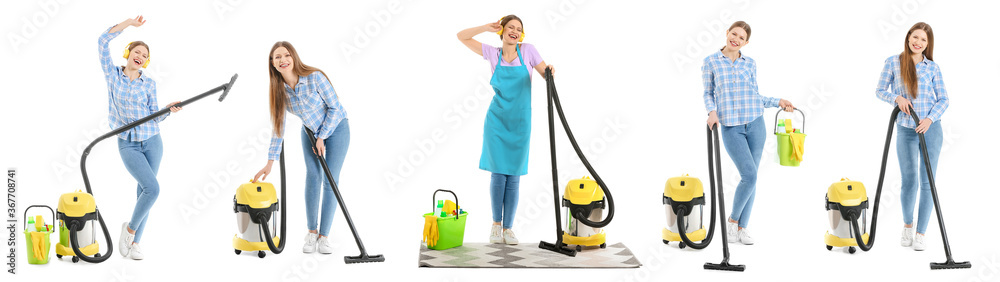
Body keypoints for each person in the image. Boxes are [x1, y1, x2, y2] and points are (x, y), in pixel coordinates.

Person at [457, 15, 554, 245]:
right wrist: (485, 28)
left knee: (514, 176)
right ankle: (495, 226)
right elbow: (461, 36)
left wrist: (548, 69)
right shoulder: (493, 53)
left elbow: (544, 73)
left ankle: (509, 228)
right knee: (498, 174)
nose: (515, 31)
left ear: (521, 35)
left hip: (520, 122)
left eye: (519, 29)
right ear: (502, 30)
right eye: (510, 27)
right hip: (497, 121)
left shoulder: (528, 50)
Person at [703, 21, 795, 245]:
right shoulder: (711, 62)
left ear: (746, 42)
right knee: (750, 175)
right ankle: (733, 221)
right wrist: (711, 112)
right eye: (733, 34)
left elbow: (755, 95)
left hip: (756, 124)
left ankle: (742, 228)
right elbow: (707, 92)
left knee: (752, 178)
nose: (736, 39)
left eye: (741, 38)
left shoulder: (750, 64)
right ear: (727, 33)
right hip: (731, 127)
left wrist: (778, 101)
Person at [253, 41, 350, 255]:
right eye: (277, 57)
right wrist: (270, 163)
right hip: (310, 134)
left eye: (286, 55)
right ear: (272, 63)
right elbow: (278, 129)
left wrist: (322, 136)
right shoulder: (279, 91)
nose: (283, 60)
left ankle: (324, 237)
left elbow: (335, 107)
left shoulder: (314, 77)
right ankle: (312, 232)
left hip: (336, 129)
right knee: (313, 176)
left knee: (330, 180)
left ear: (294, 57)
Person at [103, 15, 182, 260]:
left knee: (144, 192)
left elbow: (153, 116)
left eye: (145, 56)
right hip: (128, 144)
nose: (141, 56)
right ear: (128, 53)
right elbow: (101, 42)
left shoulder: (149, 84)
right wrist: (127, 24)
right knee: (153, 189)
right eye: (137, 52)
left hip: (153, 141)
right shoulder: (113, 75)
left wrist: (166, 111)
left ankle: (135, 242)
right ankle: (129, 230)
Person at [875, 22, 948, 252]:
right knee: (909, 182)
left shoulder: (932, 68)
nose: (919, 42)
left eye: (924, 40)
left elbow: (944, 99)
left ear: (928, 44)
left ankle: (921, 233)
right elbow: (879, 90)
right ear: (908, 38)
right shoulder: (893, 62)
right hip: (906, 130)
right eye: (915, 37)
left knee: (928, 183)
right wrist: (897, 98)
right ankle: (907, 226)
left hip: (930, 131)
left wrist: (929, 119)